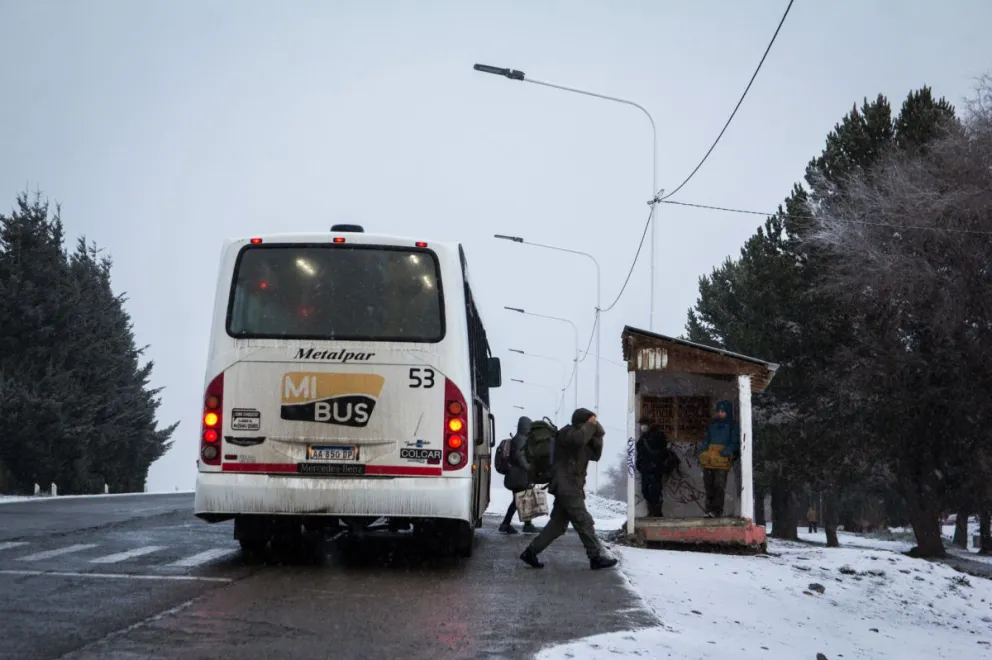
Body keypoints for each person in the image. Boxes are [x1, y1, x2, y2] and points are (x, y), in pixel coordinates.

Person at [520, 408, 618, 570]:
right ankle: (595, 557)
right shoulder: (567, 434)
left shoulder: (583, 438)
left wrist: (597, 431)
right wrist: (590, 425)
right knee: (584, 521)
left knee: (557, 525)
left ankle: (531, 552)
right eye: (590, 422)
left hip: (572, 487)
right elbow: (579, 439)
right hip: (567, 487)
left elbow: (596, 455)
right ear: (582, 422)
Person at [699, 400, 740, 518]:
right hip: (709, 460)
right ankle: (709, 509)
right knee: (709, 485)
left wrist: (726, 451)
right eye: (719, 411)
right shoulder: (713, 425)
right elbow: (707, 439)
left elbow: (735, 442)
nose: (720, 413)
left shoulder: (732, 425)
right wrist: (704, 449)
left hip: (722, 460)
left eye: (723, 411)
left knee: (719, 485)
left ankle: (717, 510)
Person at [499, 417, 538, 534]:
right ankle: (507, 524)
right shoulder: (521, 439)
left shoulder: (519, 438)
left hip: (515, 475)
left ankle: (525, 524)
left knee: (521, 499)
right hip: (519, 476)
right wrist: (528, 468)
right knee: (520, 500)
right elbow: (519, 455)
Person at [635, 422, 671, 518]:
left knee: (655, 490)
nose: (643, 427)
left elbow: (663, 451)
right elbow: (639, 452)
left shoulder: (658, 435)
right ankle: (652, 511)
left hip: (656, 468)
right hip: (646, 468)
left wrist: (656, 462)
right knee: (645, 490)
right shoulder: (643, 437)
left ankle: (656, 512)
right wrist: (639, 464)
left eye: (644, 424)